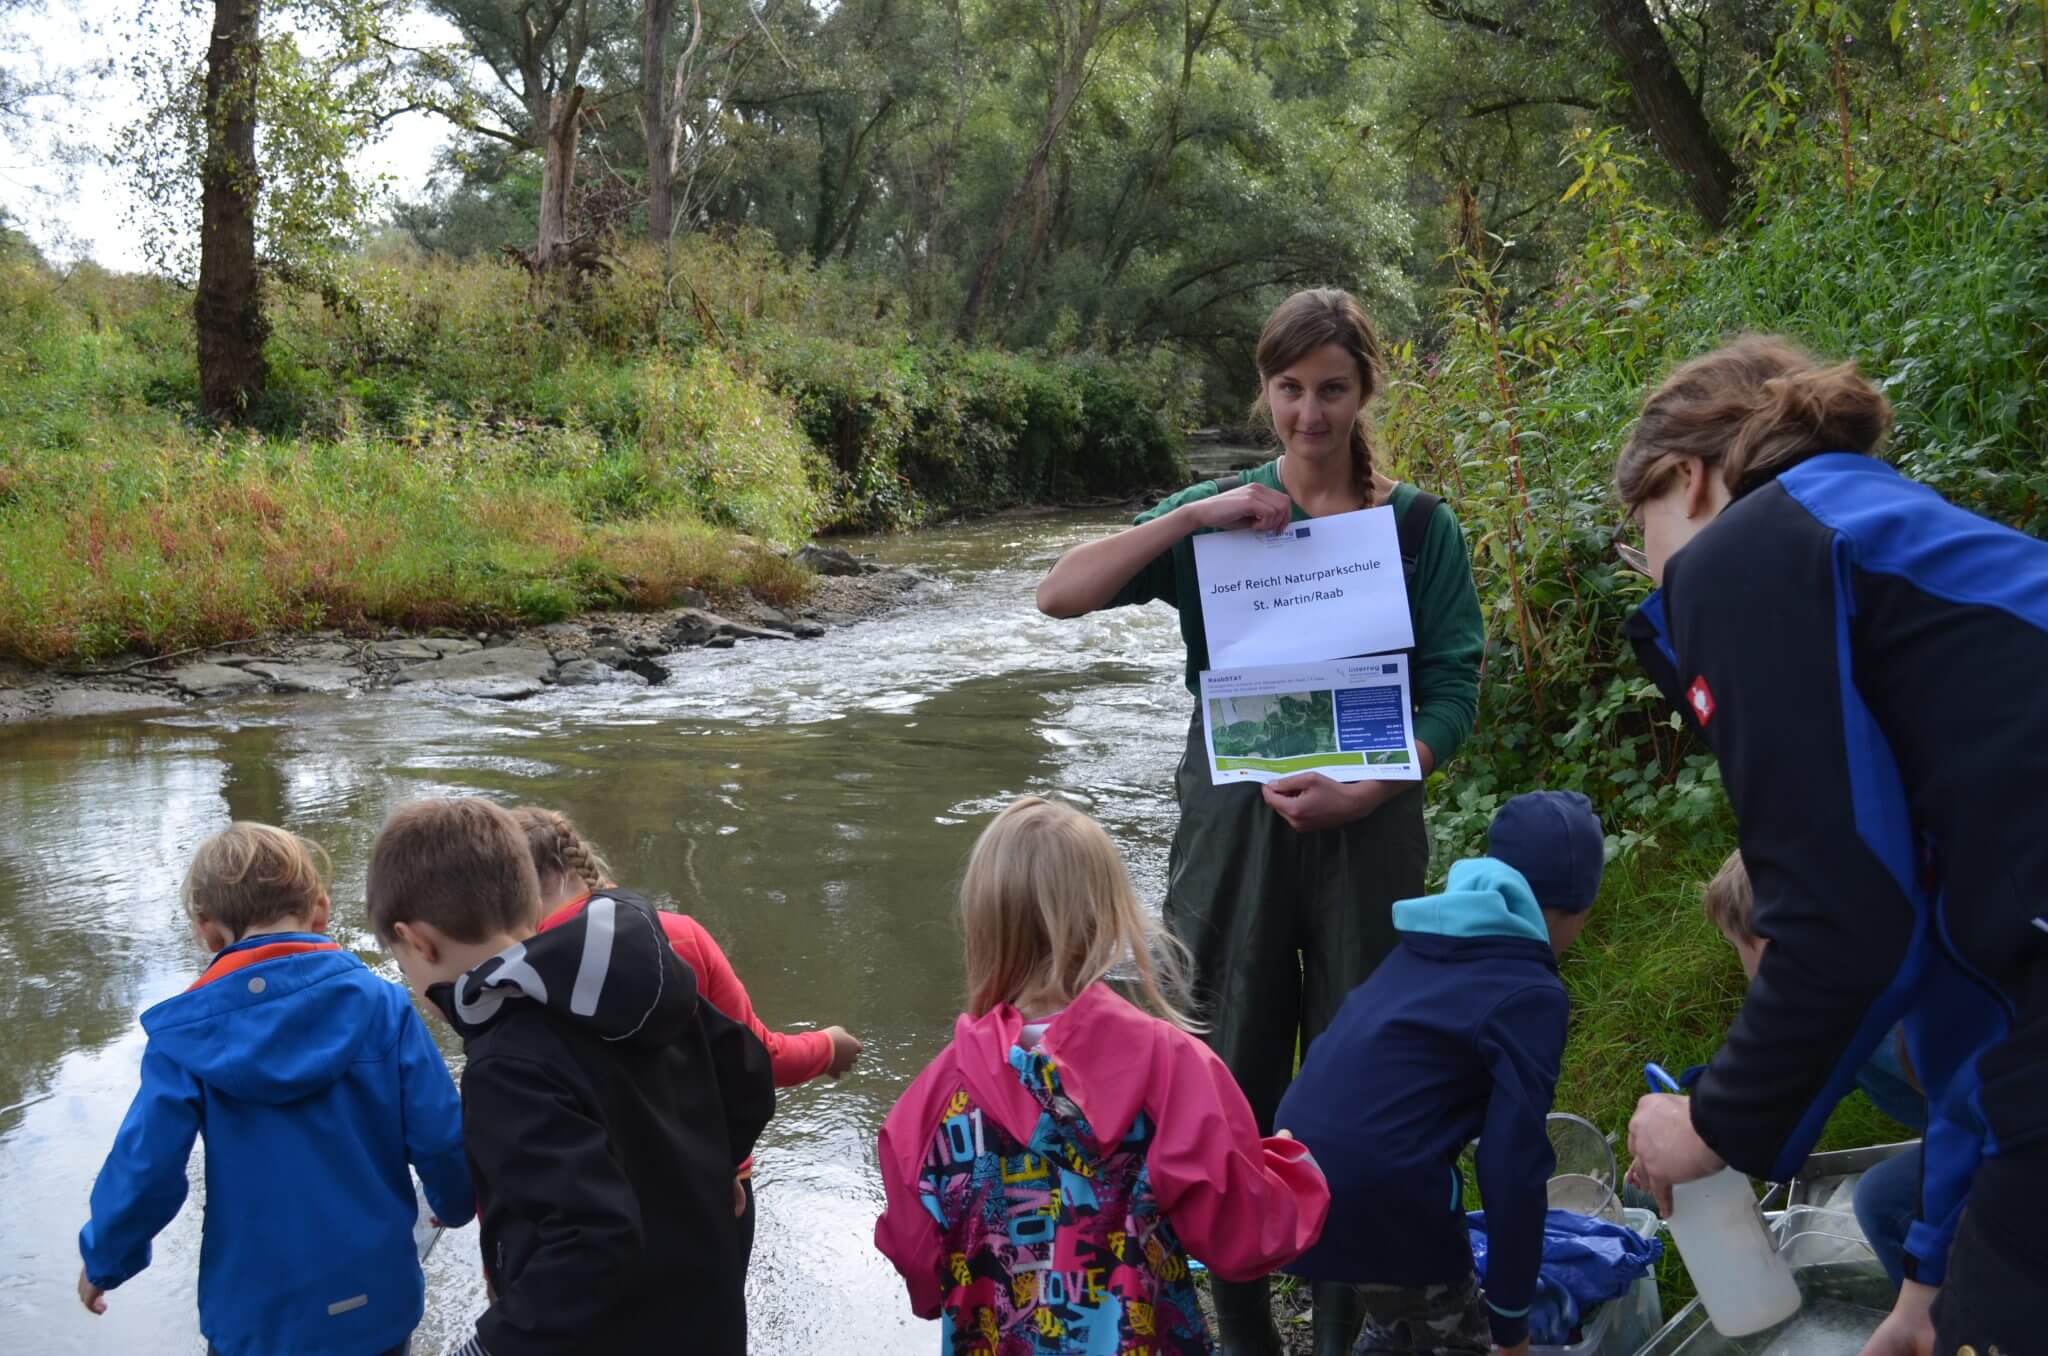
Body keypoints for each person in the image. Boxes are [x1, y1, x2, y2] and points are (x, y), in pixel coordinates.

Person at [1036, 288, 1483, 1355]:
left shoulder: (1418, 527)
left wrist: (1372, 787)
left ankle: (1338, 1330)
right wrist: (1193, 517)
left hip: (1367, 830)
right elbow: (1058, 596)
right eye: (1288, 389)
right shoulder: (1217, 517)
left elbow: (1455, 687)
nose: (1308, 414)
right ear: (1264, 390)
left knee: (1349, 1084)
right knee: (1221, 1074)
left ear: (1364, 390)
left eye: (1331, 390)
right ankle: (1243, 1331)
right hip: (1228, 831)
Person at [1612, 335, 2047, 1355]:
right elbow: (1965, 1006)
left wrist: (1709, 1122)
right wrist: (1928, 1284)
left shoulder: (1750, 546)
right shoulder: (1892, 542)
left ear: (1686, 477)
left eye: (1639, 540)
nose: (1652, 577)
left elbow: (1844, 920)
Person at [873, 797, 1330, 1355]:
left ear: (981, 927)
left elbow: (922, 1273)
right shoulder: (1172, 1066)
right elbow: (1245, 1235)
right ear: (1110, 920)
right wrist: (1290, 1169)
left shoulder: (931, 1101)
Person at [367, 798, 774, 1356]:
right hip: (707, 1311)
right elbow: (748, 1068)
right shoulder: (642, 976)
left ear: (418, 941)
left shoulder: (505, 1062)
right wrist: (722, 1159)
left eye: (403, 964)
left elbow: (591, 1238)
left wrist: (491, 1346)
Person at [76, 823, 473, 1356]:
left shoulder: (186, 1036)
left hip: (256, 1320)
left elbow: (146, 1167)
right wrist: (455, 1201)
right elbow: (440, 1134)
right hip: (375, 1305)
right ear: (320, 912)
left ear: (208, 934)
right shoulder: (384, 1008)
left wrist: (107, 1259)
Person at [1278, 791, 1604, 1356]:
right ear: (1576, 908)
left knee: (1401, 1312)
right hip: (1387, 1188)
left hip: (1296, 1169)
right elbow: (1512, 1163)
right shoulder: (1530, 992)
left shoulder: (1426, 944)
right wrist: (1510, 1322)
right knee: (1457, 1338)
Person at [510, 806, 861, 1260]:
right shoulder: (676, 938)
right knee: (708, 1325)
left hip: (589, 1208)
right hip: (711, 1190)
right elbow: (757, 1059)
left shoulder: (513, 977)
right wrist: (829, 1047)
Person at [1697, 849, 1928, 1293]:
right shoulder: (1858, 978)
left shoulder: (1858, 1015)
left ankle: (1946, 1323)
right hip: (1983, 1126)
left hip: (2010, 1140)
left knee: (1884, 1202)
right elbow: (1787, 1096)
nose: (1741, 968)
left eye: (1735, 945)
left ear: (1773, 942)